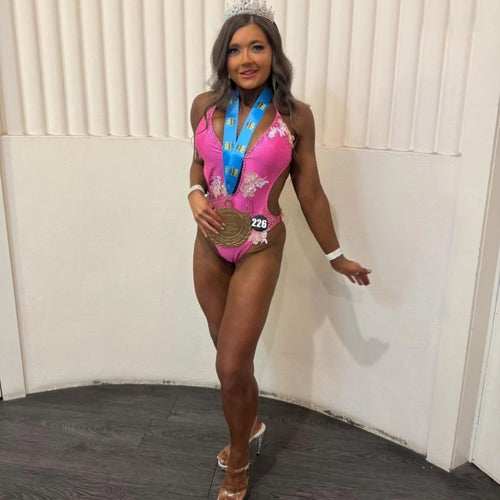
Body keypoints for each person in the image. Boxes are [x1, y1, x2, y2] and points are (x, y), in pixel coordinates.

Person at [188, 2, 371, 498]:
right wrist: (194, 193)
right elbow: (198, 163)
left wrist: (336, 256)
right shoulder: (204, 105)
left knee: (231, 365)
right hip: (209, 245)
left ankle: (239, 462)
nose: (246, 59)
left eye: (257, 47)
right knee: (228, 358)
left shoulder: (295, 115)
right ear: (223, 58)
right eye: (235, 50)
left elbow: (310, 191)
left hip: (260, 246)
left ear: (274, 53)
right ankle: (249, 424)